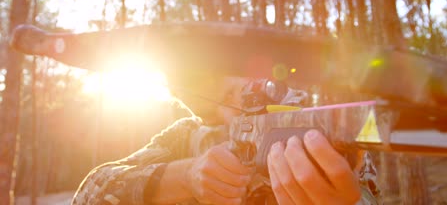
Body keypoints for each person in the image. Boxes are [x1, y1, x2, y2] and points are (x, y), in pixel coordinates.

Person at [71, 76, 378, 205]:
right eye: (208, 109)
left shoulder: (326, 132)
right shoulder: (187, 136)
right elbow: (90, 194)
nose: (226, 113)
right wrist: (188, 177)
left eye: (235, 93)